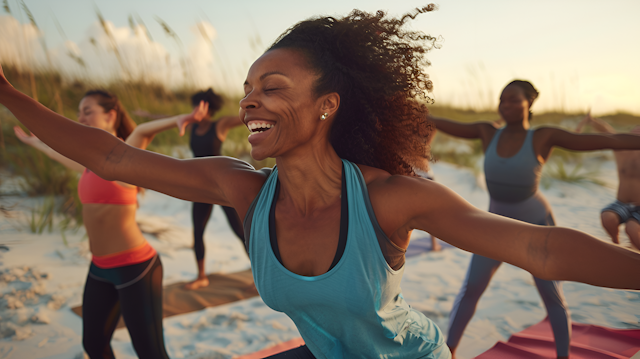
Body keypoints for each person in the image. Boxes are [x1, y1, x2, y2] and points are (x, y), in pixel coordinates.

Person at [3, 7, 640, 359]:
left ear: (327, 105)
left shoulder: (391, 198)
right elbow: (111, 160)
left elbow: (542, 249)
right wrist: (7, 93)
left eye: (272, 89)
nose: (250, 103)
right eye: (248, 89)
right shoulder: (242, 188)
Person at [429, 80, 640, 358]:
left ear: (530, 103)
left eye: (514, 99)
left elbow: (605, 140)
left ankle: (563, 355)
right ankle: (450, 351)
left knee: (551, 296)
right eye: (502, 100)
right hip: (494, 226)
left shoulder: (543, 136)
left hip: (536, 225)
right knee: (471, 289)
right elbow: (439, 121)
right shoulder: (487, 131)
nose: (506, 105)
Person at [12, 90, 203, 359]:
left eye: (87, 111)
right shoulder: (91, 163)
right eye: (79, 112)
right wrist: (35, 143)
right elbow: (60, 155)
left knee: (150, 353)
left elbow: (144, 131)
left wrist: (179, 119)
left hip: (136, 268)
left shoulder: (124, 158)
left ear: (110, 115)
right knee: (94, 345)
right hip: (100, 268)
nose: (80, 118)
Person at [136, 89, 246, 290]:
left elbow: (243, 117)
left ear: (208, 108)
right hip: (200, 188)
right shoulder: (193, 125)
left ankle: (259, 276)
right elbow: (169, 118)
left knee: (239, 230)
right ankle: (201, 276)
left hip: (221, 187)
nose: (194, 110)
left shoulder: (219, 125)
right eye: (194, 106)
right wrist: (147, 115)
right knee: (197, 231)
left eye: (198, 106)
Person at [576, 114, 640, 250]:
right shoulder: (621, 150)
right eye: (634, 132)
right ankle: (616, 244)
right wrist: (592, 121)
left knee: (632, 228)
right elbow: (607, 132)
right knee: (607, 217)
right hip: (622, 203)